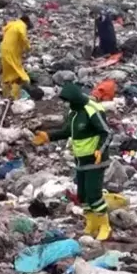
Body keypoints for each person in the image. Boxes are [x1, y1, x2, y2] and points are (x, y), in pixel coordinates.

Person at [32, 83, 113, 240]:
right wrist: (48, 136)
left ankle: (105, 226)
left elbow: (107, 133)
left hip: (96, 160)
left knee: (94, 194)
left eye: (69, 100)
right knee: (82, 195)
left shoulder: (92, 110)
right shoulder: (73, 113)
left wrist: (100, 150)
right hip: (80, 160)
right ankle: (91, 224)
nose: (67, 104)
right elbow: (68, 131)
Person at [1, 15, 33, 100]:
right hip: (12, 52)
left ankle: (5, 95)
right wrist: (28, 47)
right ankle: (15, 97)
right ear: (27, 22)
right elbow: (22, 35)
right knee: (18, 73)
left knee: (7, 73)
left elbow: (4, 31)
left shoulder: (12, 24)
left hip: (4, 50)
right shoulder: (21, 25)